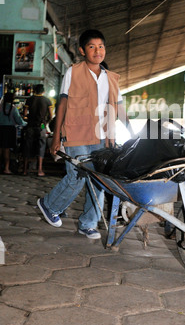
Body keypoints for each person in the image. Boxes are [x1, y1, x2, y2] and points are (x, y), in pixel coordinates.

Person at [37, 29, 133, 239]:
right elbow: (63, 103)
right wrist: (56, 137)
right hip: (76, 133)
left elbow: (120, 108)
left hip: (103, 137)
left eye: (101, 46)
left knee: (99, 181)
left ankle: (88, 223)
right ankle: (49, 204)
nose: (97, 50)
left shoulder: (112, 79)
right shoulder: (73, 72)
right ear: (82, 50)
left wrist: (133, 133)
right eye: (92, 46)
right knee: (77, 176)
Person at [22, 84, 53, 176]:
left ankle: (24, 170)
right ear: (43, 91)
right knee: (41, 146)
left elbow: (24, 114)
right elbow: (51, 116)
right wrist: (46, 122)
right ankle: (39, 170)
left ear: (34, 91)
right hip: (42, 126)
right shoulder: (47, 100)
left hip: (30, 125)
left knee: (27, 146)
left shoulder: (29, 99)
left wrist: (28, 119)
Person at [0, 92, 26, 174]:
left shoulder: (0, 107)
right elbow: (19, 121)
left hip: (0, 129)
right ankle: (6, 168)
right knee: (7, 149)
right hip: (9, 130)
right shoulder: (13, 108)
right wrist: (26, 123)